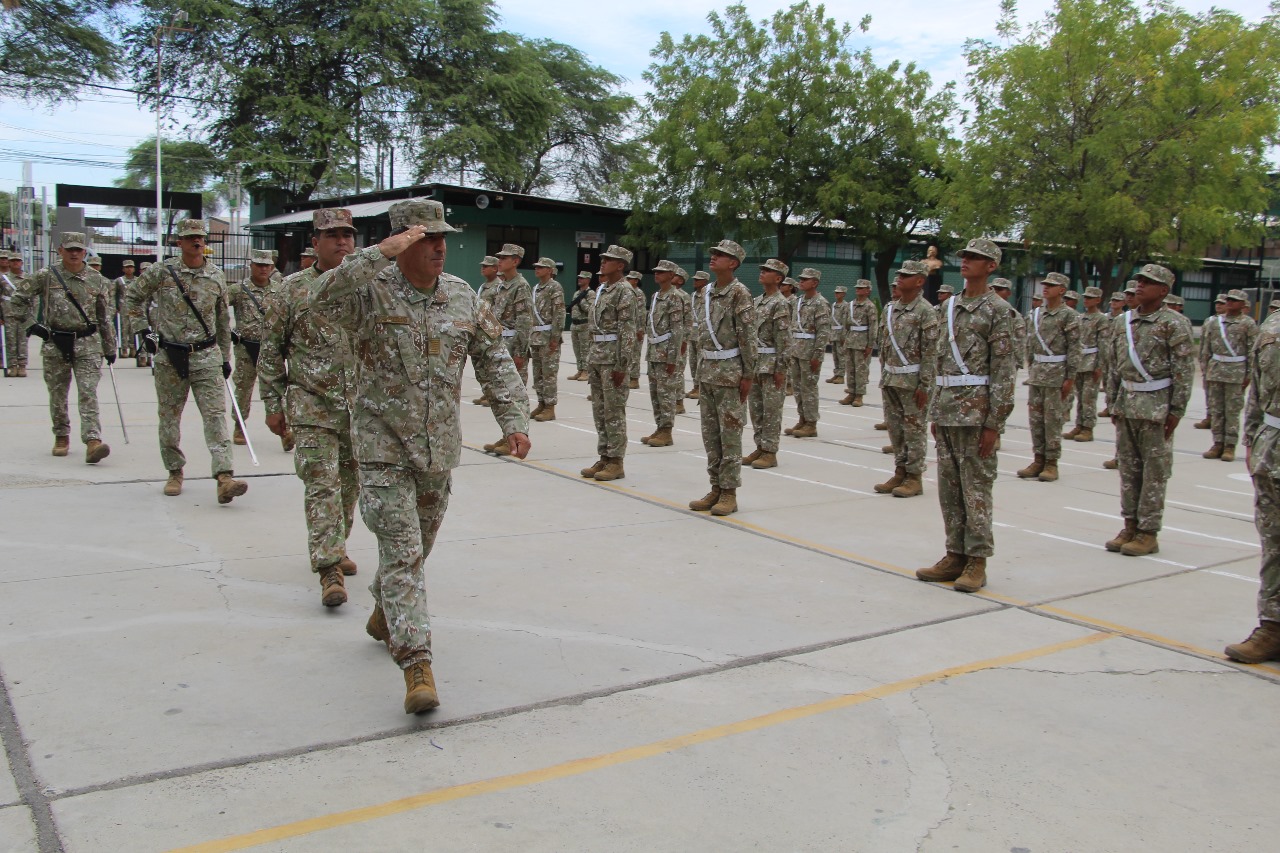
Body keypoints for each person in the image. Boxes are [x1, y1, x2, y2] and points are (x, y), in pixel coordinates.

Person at [311, 198, 529, 714]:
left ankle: (387, 612)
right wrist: (376, 255)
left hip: (438, 451)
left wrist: (514, 418)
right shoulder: (367, 291)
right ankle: (417, 663)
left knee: (419, 547)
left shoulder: (460, 295)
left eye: (441, 238)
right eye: (425, 238)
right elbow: (318, 298)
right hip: (381, 448)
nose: (438, 247)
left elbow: (494, 358)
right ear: (401, 242)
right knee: (403, 551)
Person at [259, 209, 362, 608]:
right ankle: (329, 568)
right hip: (310, 404)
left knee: (351, 486)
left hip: (358, 407)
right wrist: (272, 402)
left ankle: (337, 543)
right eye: (332, 235)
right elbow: (271, 350)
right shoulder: (290, 290)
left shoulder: (367, 286)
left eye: (347, 235)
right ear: (314, 243)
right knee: (322, 484)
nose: (342, 242)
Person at [917, 238, 1016, 593]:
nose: (967, 262)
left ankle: (977, 560)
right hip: (947, 410)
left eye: (976, 258)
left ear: (991, 266)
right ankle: (954, 553)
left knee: (976, 489)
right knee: (949, 487)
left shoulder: (999, 311)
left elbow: (1005, 371)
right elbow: (940, 359)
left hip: (976, 413)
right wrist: (934, 409)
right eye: (965, 256)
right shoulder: (949, 307)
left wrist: (995, 422)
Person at [127, 219, 248, 503]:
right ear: (179, 242)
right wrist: (142, 331)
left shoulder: (216, 276)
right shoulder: (163, 271)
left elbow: (222, 321)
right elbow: (133, 297)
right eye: (190, 237)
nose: (196, 242)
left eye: (200, 238)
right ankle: (174, 470)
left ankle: (224, 476)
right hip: (171, 355)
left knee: (215, 416)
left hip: (205, 355)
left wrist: (224, 357)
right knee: (169, 417)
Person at [1103, 264, 1194, 557]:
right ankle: (1130, 525)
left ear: (1164, 291)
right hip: (1128, 405)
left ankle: (1148, 532)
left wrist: (1176, 410)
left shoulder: (1174, 323)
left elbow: (1184, 371)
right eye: (1138, 280)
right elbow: (1115, 366)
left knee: (1154, 473)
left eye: (1148, 282)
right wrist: (1113, 402)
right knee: (1129, 471)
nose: (1139, 286)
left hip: (1157, 407)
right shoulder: (1122, 323)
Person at [12, 232, 117, 462]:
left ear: (85, 252)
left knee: (88, 392)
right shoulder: (47, 276)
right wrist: (32, 325)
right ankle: (61, 434)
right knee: (58, 393)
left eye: (78, 249)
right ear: (60, 250)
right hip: (55, 342)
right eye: (69, 249)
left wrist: (110, 346)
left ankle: (92, 440)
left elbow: (104, 316)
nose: (74, 253)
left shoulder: (97, 279)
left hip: (87, 343)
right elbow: (17, 299)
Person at [689, 240, 757, 516]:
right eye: (714, 253)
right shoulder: (706, 292)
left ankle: (729, 492)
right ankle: (715, 487)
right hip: (708, 372)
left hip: (730, 373)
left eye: (721, 255)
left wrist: (748, 374)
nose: (714, 257)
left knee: (730, 436)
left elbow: (748, 337)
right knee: (710, 435)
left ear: (734, 263)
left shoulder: (740, 293)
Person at [1227, 311, 1280, 663]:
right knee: (1274, 542)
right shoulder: (1273, 325)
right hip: (1271, 448)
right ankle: (1272, 627)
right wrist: (1250, 438)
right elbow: (1258, 391)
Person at [874, 260, 938, 498]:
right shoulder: (890, 309)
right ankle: (900, 471)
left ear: (920, 281)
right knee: (896, 430)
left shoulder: (925, 311)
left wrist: (925, 384)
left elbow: (931, 351)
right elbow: (883, 345)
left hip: (913, 382)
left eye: (906, 276)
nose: (900, 278)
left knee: (914, 430)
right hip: (891, 378)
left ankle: (914, 477)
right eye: (899, 274)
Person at [580, 246, 637, 481]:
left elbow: (628, 331)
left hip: (613, 358)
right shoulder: (603, 289)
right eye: (602, 259)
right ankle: (604, 456)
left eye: (609, 260)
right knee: (600, 410)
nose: (602, 262)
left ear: (621, 265)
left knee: (614, 411)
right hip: (597, 355)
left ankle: (616, 461)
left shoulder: (625, 291)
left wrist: (622, 366)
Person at [1018, 272, 1080, 482]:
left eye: (1051, 285)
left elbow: (1074, 348)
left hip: (1057, 375)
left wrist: (1070, 377)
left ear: (1062, 290)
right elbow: (1030, 343)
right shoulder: (1036, 314)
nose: (1046, 288)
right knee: (1036, 420)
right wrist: (1030, 368)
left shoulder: (1069, 315)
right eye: (1045, 284)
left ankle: (1051, 463)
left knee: (1052, 421)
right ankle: (1038, 459)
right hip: (1037, 374)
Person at [230, 249, 286, 448]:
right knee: (244, 388)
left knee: (276, 389)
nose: (263, 269)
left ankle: (284, 430)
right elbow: (218, 308)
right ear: (251, 265)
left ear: (272, 267)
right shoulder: (238, 290)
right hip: (246, 348)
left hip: (271, 348)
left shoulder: (280, 288)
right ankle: (239, 425)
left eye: (267, 265)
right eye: (259, 265)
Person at [744, 258, 791, 470]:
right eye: (762, 269)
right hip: (756, 363)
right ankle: (760, 446)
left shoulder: (781, 303)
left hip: (771, 364)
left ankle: (770, 451)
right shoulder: (757, 301)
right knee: (756, 408)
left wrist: (781, 368)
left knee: (771, 410)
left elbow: (784, 339)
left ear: (778, 278)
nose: (762, 273)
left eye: (768, 271)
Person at [1201, 289, 1258, 462]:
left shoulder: (1247, 324)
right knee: (1217, 410)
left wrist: (1248, 375)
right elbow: (1206, 348)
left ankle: (1230, 445)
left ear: (1243, 304)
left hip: (1236, 372)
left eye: (1235, 300)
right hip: (1216, 370)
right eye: (1229, 300)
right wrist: (1206, 369)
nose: (1230, 303)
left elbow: (1252, 351)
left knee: (1231, 411)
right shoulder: (1214, 323)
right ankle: (1217, 443)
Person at [478, 245, 531, 414]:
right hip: (501, 342)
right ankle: (507, 437)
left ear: (515, 261)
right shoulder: (502, 286)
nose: (499, 261)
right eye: (499, 258)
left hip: (513, 344)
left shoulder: (521, 286)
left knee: (515, 393)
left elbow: (524, 321)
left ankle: (517, 437)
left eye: (504, 258)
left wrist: (520, 352)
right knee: (503, 393)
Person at [639, 260, 685, 446]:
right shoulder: (656, 295)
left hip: (666, 352)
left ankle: (667, 431)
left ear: (671, 275)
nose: (657, 274)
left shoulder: (675, 297)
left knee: (666, 394)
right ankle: (659, 427)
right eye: (656, 271)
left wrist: (673, 357)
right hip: (654, 351)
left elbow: (677, 329)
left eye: (662, 272)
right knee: (655, 393)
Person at [784, 267, 831, 438]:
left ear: (815, 283)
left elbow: (823, 331)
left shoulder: (820, 303)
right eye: (801, 279)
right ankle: (802, 418)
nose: (801, 281)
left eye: (806, 279)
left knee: (809, 388)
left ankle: (811, 423)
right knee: (797, 387)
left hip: (809, 352)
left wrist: (818, 355)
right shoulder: (798, 301)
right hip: (796, 349)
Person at [1063, 286, 1107, 443]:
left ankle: (1088, 428)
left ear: (1098, 300)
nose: (1086, 299)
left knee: (1089, 397)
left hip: (1092, 361)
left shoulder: (1101, 319)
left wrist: (1100, 366)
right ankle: (1079, 425)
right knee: (1080, 396)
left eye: (1090, 297)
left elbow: (1104, 344)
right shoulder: (1080, 317)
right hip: (1080, 362)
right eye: (1085, 297)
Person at [527, 257, 567, 423]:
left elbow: (559, 313)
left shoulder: (554, 287)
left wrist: (555, 337)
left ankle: (550, 407)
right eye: (536, 267)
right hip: (536, 337)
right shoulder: (535, 288)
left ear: (550, 270)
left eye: (541, 267)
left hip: (548, 336)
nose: (537, 269)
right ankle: (541, 403)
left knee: (549, 374)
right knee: (538, 374)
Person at [840, 279, 879, 407]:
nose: (858, 290)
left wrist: (870, 345)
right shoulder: (850, 305)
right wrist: (844, 338)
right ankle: (851, 392)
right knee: (850, 369)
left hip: (862, 342)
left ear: (868, 290)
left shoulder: (870, 306)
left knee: (861, 369)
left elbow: (873, 326)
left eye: (861, 288)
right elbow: (845, 323)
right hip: (850, 340)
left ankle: (859, 395)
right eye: (857, 288)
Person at [1196, 295, 1229, 430]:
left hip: (1228, 365)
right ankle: (1209, 416)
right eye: (1217, 303)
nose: (1218, 306)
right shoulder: (1209, 321)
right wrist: (1202, 359)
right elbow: (1204, 342)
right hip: (1211, 362)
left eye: (1222, 303)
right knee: (1209, 391)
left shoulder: (1230, 322)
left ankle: (1221, 420)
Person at [1, 251, 30, 377]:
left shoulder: (27, 278)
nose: (15, 263)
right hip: (9, 313)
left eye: (17, 261)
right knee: (10, 340)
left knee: (23, 340)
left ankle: (22, 365)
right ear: (9, 263)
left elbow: (33, 297)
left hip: (24, 314)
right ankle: (12, 365)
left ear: (21, 263)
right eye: (12, 261)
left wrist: (32, 314)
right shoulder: (3, 279)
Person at [685, 271, 710, 399]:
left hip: (702, 334)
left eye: (698, 280)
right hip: (692, 334)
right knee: (693, 362)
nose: (695, 282)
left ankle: (701, 387)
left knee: (702, 362)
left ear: (705, 281)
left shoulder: (708, 296)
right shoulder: (693, 296)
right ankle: (695, 386)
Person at [568, 271, 593, 380]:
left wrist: (581, 301)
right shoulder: (577, 293)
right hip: (574, 324)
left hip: (584, 325)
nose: (580, 279)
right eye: (579, 278)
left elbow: (591, 309)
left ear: (588, 280)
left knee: (585, 350)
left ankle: (586, 371)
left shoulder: (590, 293)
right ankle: (579, 369)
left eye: (582, 278)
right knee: (577, 349)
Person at [113, 259, 137, 359]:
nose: (129, 269)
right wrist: (115, 306)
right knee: (123, 328)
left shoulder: (138, 280)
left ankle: (133, 349)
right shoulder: (119, 281)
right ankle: (124, 349)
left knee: (134, 328)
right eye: (127, 267)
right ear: (123, 269)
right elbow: (113, 294)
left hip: (135, 308)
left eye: (131, 267)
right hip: (123, 308)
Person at [626, 270, 646, 390]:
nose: (627, 280)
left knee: (635, 354)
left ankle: (634, 379)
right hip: (628, 328)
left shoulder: (639, 293)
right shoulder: (628, 292)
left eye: (630, 279)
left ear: (636, 281)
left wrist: (640, 329)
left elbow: (642, 313)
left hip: (636, 328)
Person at [826, 285, 847, 384]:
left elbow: (844, 322)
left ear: (843, 294)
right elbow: (831, 320)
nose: (836, 294)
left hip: (840, 333)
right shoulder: (833, 305)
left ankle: (841, 375)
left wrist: (844, 335)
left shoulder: (845, 306)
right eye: (835, 292)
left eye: (838, 293)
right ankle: (836, 373)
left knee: (841, 354)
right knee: (835, 355)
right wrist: (829, 334)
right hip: (833, 332)